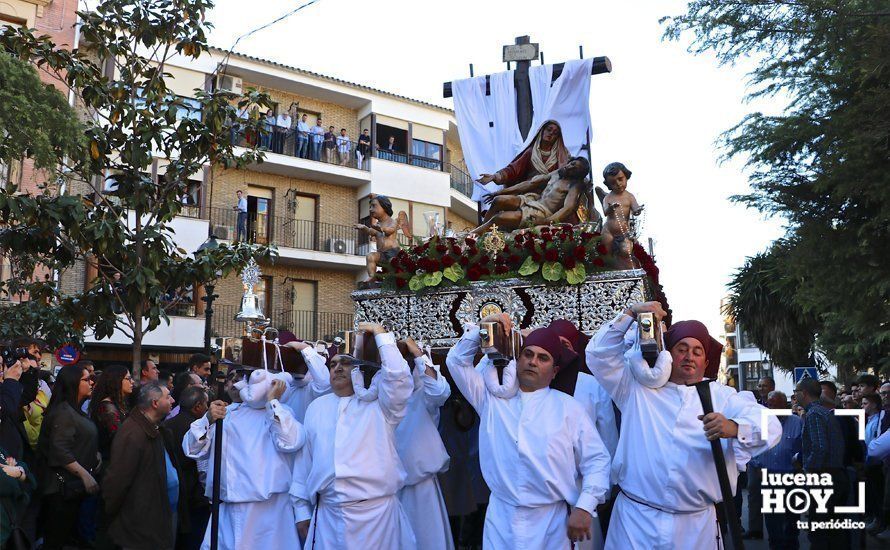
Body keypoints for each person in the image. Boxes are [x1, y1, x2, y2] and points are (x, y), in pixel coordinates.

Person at [586, 301, 781, 549]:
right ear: (667, 354)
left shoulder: (723, 396)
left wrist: (734, 427)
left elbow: (772, 426)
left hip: (695, 527)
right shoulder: (636, 388)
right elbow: (597, 353)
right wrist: (632, 314)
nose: (689, 356)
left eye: (697, 351)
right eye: (682, 348)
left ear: (705, 359)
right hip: (635, 522)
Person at [446, 315, 611, 548]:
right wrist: (484, 328)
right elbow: (456, 361)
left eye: (543, 358)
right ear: (518, 359)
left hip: (551, 523)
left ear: (554, 371)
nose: (533, 362)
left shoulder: (568, 408)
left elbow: (597, 460)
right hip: (501, 520)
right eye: (528, 354)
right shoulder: (491, 401)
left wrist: (584, 506)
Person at [291, 322, 416, 549]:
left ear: (360, 368)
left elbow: (398, 378)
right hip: (327, 516)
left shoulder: (381, 404)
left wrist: (380, 334)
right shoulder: (316, 407)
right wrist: (301, 510)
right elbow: (304, 461)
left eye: (346, 363)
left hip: (376, 517)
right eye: (333, 364)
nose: (337, 368)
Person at [184, 368, 304, 550]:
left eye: (239, 378)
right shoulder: (222, 414)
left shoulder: (279, 412)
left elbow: (290, 441)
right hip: (227, 509)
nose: (234, 382)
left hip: (268, 513)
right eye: (230, 378)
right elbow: (191, 448)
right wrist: (207, 420)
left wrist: (272, 402)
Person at [102, 381, 179, 550]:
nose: (172, 400)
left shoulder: (152, 428)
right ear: (155, 403)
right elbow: (117, 481)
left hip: (152, 520)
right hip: (139, 526)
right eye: (168, 397)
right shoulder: (133, 433)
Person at [393, 338, 452, 550]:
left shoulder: (423, 397)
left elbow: (439, 391)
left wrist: (418, 355)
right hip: (386, 489)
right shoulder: (377, 397)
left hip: (421, 488)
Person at [37, 364, 100, 550]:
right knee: (56, 538)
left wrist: (94, 453)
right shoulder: (64, 412)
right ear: (73, 383)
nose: (91, 383)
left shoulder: (75, 410)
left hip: (71, 490)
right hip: (60, 490)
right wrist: (84, 475)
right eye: (86, 379)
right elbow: (60, 450)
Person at [473, 156, 590, 235]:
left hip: (541, 212)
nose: (570, 167)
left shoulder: (574, 186)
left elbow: (567, 208)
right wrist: (499, 192)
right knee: (498, 200)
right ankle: (481, 230)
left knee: (499, 218)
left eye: (575, 168)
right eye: (572, 164)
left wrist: (546, 221)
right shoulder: (557, 173)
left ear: (579, 174)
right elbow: (531, 183)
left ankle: (474, 236)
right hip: (533, 200)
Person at [794, 377, 847, 549]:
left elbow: (820, 448)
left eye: (796, 392)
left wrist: (808, 469)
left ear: (804, 393)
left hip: (825, 478)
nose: (794, 396)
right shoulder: (823, 412)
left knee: (820, 531)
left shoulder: (814, 414)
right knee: (832, 529)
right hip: (834, 476)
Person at [755, 390, 802, 550]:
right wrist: (757, 466)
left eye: (777, 404)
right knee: (772, 519)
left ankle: (791, 545)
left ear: (785, 405)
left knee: (792, 517)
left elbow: (804, 446)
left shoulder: (797, 422)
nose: (773, 408)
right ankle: (776, 546)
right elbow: (752, 447)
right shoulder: (761, 423)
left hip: (791, 477)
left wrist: (799, 462)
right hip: (769, 477)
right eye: (770, 405)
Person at [164, 386, 210, 550]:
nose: (207, 408)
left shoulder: (167, 424)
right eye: (206, 404)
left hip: (175, 491)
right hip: (194, 494)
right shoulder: (197, 429)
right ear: (197, 406)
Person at [477, 120, 570, 187]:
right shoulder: (531, 153)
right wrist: (494, 177)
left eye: (555, 133)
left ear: (557, 138)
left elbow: (568, 172)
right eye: (549, 130)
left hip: (551, 193)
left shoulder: (561, 157)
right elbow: (513, 170)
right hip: (530, 191)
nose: (550, 134)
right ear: (542, 131)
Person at [88, 364, 134, 464]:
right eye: (128, 379)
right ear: (116, 380)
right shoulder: (107, 407)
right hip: (111, 462)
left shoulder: (120, 403)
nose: (132, 382)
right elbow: (120, 436)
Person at [279, 340, 331, 423]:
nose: (299, 365)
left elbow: (324, 383)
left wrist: (305, 349)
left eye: (304, 360)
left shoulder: (314, 389)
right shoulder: (281, 385)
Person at [355, 194, 399, 283]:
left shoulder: (392, 221)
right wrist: (364, 228)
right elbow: (372, 232)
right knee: (370, 256)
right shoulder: (378, 223)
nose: (371, 209)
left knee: (392, 264)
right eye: (370, 207)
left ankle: (394, 279)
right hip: (381, 254)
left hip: (393, 252)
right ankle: (372, 276)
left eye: (374, 206)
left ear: (384, 207)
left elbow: (390, 230)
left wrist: (381, 229)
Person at [0, 442, 35, 549]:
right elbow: (4, 483)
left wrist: (20, 473)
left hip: (7, 521)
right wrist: (19, 475)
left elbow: (21, 465)